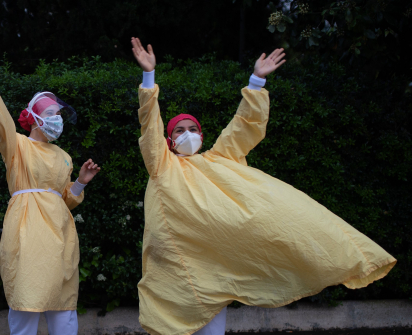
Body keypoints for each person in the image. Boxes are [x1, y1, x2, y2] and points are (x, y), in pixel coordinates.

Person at [129, 37, 397, 335]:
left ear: (202, 136)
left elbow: (242, 126)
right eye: (179, 130)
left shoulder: (219, 158)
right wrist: (148, 77)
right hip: (176, 268)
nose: (188, 134)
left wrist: (256, 80)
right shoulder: (162, 165)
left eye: (193, 129)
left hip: (213, 268)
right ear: (168, 140)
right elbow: (149, 124)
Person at [0, 35, 101, 335]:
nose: (58, 120)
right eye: (52, 114)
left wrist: (79, 183)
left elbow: (64, 199)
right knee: (25, 304)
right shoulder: (18, 146)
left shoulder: (64, 156)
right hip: (27, 234)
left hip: (60, 236)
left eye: (59, 115)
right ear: (34, 117)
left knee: (63, 307)